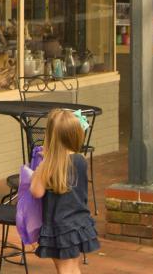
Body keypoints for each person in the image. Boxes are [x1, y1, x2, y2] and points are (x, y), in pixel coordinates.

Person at [28, 109, 100, 273]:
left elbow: (36, 192)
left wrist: (39, 169)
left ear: (50, 136)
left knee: (64, 270)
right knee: (73, 267)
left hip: (59, 228)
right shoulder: (80, 160)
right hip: (78, 223)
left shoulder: (48, 166)